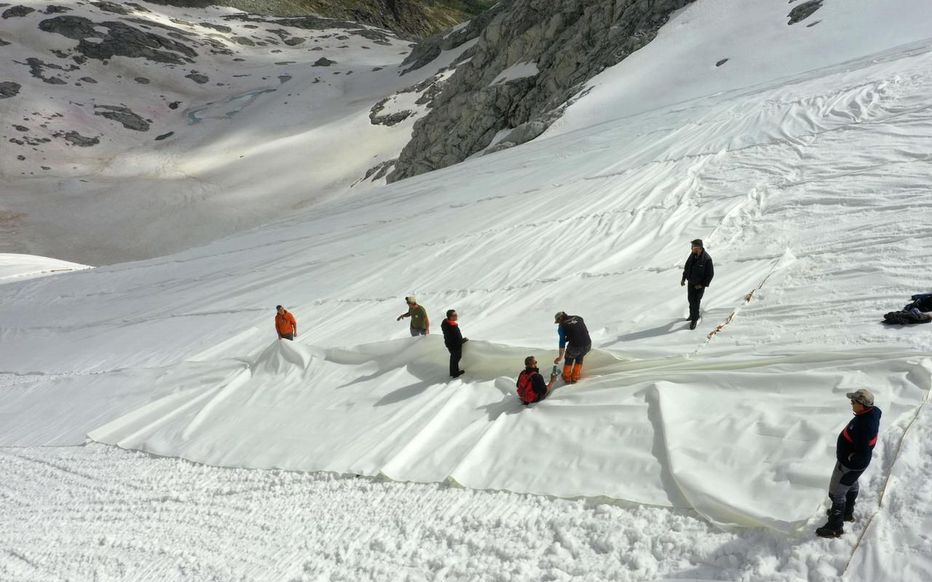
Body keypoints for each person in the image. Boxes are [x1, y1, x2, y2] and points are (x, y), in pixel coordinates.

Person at [816, 388, 882, 538]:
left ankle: (835, 526)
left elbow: (864, 449)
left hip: (849, 465)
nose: (851, 403)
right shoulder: (871, 413)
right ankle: (846, 513)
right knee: (851, 484)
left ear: (862, 404)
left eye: (853, 401)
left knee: (837, 492)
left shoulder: (864, 425)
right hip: (856, 466)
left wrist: (850, 458)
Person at [681, 239, 714, 330]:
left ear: (700, 248)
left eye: (694, 247)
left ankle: (694, 320)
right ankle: (692, 315)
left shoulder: (707, 259)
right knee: (690, 300)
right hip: (691, 283)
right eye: (692, 247)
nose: (692, 249)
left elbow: (710, 274)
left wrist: (703, 284)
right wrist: (683, 278)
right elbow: (687, 268)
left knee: (696, 301)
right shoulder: (692, 256)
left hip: (699, 285)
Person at [553, 311, 591, 383]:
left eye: (558, 321)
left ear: (560, 318)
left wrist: (560, 357)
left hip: (575, 347)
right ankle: (575, 377)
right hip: (588, 344)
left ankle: (566, 377)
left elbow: (562, 342)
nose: (558, 323)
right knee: (580, 356)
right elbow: (580, 331)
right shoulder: (578, 317)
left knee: (569, 358)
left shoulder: (562, 326)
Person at [441, 309, 468, 378]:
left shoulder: (447, 323)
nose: (456, 316)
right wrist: (462, 341)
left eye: (456, 315)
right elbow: (454, 337)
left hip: (451, 344)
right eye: (455, 315)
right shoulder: (451, 326)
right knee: (455, 358)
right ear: (451, 317)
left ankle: (453, 371)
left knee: (454, 358)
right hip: (454, 345)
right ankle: (455, 373)